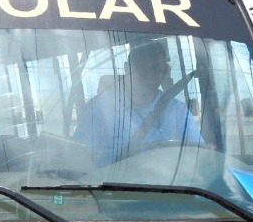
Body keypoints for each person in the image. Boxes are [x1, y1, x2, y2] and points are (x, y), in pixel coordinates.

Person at [74, 41, 203, 166]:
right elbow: (78, 161)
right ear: (127, 68)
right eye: (144, 68)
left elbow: (197, 156)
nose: (150, 74)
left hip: (171, 186)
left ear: (165, 71)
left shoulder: (178, 110)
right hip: (113, 186)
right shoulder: (99, 109)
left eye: (157, 68)